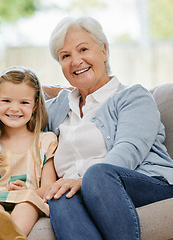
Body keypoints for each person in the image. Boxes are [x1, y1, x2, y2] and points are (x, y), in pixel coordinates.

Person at [44, 16, 173, 240]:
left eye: (83, 49)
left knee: (96, 174)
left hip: (146, 184)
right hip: (83, 191)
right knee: (59, 194)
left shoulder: (133, 97)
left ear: (103, 51)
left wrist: (83, 180)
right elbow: (14, 103)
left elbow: (128, 150)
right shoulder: (60, 106)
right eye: (65, 56)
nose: (76, 61)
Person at [0, 66, 58, 240]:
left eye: (23, 103)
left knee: (26, 202)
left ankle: (10, 235)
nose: (14, 108)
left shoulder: (45, 141)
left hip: (29, 198)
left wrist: (25, 192)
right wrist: (7, 191)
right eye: (6, 101)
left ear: (35, 105)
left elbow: (48, 188)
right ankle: (5, 230)